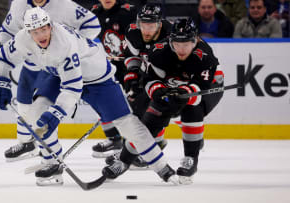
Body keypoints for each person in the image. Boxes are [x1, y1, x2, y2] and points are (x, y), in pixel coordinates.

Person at [0, 7, 177, 186]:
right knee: (38, 112)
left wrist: (56, 113)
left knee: (126, 124)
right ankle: (52, 164)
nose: (41, 36)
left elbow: (73, 87)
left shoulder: (63, 43)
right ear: (28, 32)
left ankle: (162, 168)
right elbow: (3, 58)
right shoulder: (23, 38)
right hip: (58, 75)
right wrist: (0, 80)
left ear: (50, 26)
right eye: (35, 32)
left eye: (44, 29)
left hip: (97, 79)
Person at [105, 18, 224, 184]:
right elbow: (150, 81)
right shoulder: (159, 52)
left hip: (208, 86)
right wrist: (157, 92)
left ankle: (191, 158)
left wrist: (184, 93)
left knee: (192, 109)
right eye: (177, 44)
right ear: (170, 40)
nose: (181, 49)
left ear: (195, 40)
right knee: (148, 124)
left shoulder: (205, 55)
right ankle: (123, 161)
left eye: (186, 44)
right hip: (171, 85)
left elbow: (200, 87)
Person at [0, 0, 101, 162]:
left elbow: (92, 24)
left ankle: (52, 151)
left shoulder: (63, 4)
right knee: (23, 100)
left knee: (44, 107)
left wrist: (75, 48)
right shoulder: (18, 4)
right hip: (33, 61)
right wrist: (1, 47)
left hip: (56, 65)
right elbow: (8, 29)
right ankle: (26, 142)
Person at [102, 3, 172, 168]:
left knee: (155, 110)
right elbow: (131, 57)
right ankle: (136, 147)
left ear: (160, 24)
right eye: (143, 25)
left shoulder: (169, 34)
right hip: (148, 71)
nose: (146, 30)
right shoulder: (133, 32)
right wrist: (133, 76)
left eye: (151, 25)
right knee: (135, 110)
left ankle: (155, 144)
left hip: (168, 75)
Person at [89, 0, 137, 158]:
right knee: (103, 102)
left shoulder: (129, 11)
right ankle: (114, 139)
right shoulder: (94, 12)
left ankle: (137, 143)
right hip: (110, 65)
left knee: (135, 103)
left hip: (132, 64)